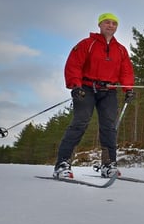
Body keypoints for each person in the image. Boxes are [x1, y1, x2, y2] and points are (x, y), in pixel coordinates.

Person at [53, 13, 135, 179]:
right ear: (100, 24)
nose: (110, 26)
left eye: (114, 23)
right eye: (107, 22)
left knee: (109, 127)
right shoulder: (87, 44)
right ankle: (62, 164)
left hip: (109, 91)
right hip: (86, 88)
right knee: (80, 123)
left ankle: (108, 164)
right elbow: (74, 64)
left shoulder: (120, 49)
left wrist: (128, 89)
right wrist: (75, 85)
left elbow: (126, 71)